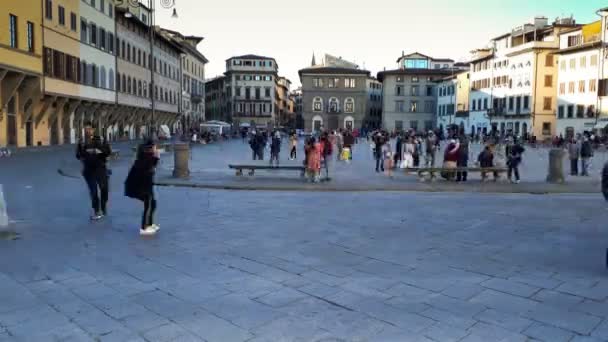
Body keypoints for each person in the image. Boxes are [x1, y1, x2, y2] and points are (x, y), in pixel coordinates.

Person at [125, 139, 160, 236]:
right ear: (150, 149)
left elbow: (151, 169)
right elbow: (148, 170)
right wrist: (156, 158)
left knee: (152, 203)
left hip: (145, 184)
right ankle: (144, 227)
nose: (156, 149)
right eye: (155, 147)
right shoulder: (146, 158)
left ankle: (150, 223)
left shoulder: (147, 157)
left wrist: (156, 159)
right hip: (140, 185)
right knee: (148, 204)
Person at [76, 128, 112, 221]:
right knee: (93, 191)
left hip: (101, 169)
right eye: (86, 129)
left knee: (104, 189)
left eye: (90, 129)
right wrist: (83, 156)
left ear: (94, 129)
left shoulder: (101, 139)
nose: (88, 131)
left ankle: (103, 206)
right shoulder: (82, 141)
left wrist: (99, 152)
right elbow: (78, 155)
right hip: (88, 170)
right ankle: (97, 211)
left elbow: (108, 152)